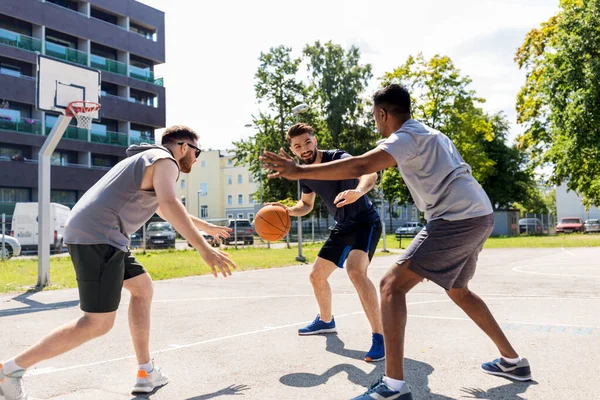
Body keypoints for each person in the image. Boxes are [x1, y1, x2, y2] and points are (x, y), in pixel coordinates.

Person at [261, 84, 531, 400]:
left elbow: (363, 166)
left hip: (455, 218)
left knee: (391, 285)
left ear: (382, 113)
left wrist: (297, 171)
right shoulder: (431, 133)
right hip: (478, 213)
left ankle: (392, 387)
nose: (375, 122)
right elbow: (314, 199)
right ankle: (513, 362)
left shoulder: (405, 138)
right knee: (458, 290)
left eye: (375, 116)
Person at [0, 125, 237, 399]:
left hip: (102, 233)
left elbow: (163, 207)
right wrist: (204, 249)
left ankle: (145, 371)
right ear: (184, 146)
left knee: (142, 288)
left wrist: (206, 227)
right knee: (97, 323)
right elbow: (170, 203)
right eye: (197, 151)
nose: (196, 158)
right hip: (100, 235)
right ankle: (10, 370)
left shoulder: (145, 160)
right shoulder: (165, 160)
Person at [270, 123, 385, 362]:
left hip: (365, 222)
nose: (304, 149)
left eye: (307, 142)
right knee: (316, 276)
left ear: (315, 140)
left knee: (355, 271)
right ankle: (325, 321)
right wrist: (286, 211)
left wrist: (359, 191)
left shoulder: (338, 158)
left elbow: (369, 172)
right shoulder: (305, 174)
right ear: (293, 150)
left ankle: (380, 337)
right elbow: (306, 205)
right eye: (298, 146)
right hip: (343, 226)